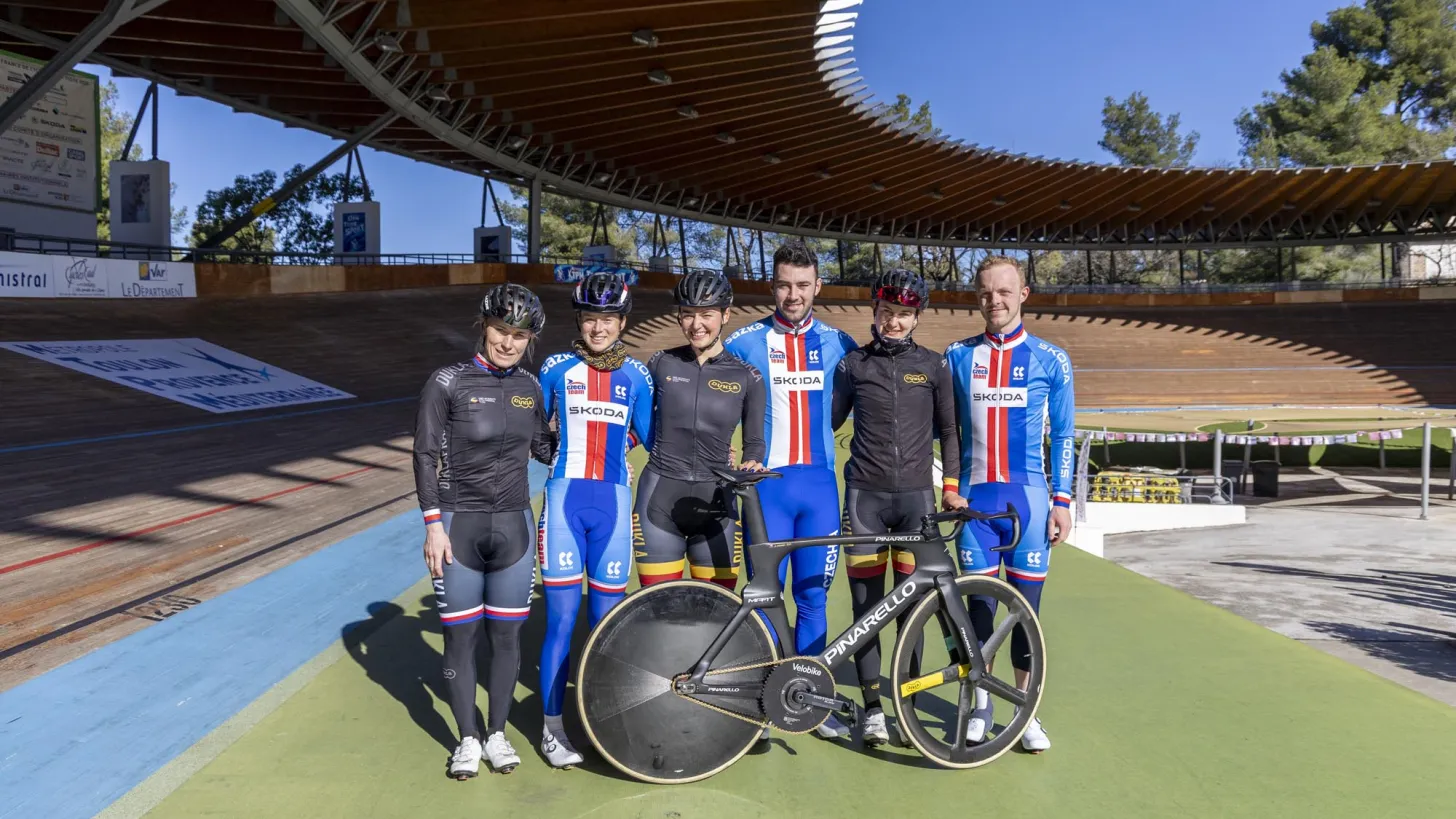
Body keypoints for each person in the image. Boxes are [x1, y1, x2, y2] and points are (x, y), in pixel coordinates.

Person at [413, 283, 555, 779]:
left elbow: (543, 448)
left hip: (513, 526)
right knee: (461, 639)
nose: (509, 342)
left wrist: (593, 446)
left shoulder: (531, 388)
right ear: (483, 326)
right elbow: (425, 455)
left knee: (508, 638)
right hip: (458, 523)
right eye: (501, 330)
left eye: (519, 335)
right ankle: (467, 739)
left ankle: (496, 733)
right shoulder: (447, 381)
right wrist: (433, 525)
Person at [724, 239, 858, 740]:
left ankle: (811, 702)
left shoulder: (841, 345)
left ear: (817, 287)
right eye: (784, 284)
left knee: (813, 596)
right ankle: (762, 698)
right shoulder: (744, 344)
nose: (793, 294)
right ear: (772, 286)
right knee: (763, 595)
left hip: (819, 486)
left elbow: (842, 409)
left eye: (803, 285)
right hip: (767, 491)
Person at [945, 255, 1075, 754]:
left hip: (1031, 504)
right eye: (985, 292)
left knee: (1026, 614)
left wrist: (1062, 502)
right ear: (977, 296)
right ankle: (980, 703)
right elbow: (947, 431)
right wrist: (950, 486)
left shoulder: (1051, 359)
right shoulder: (957, 357)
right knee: (976, 612)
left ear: (1023, 294)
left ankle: (1025, 711)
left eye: (1004, 291)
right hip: (976, 505)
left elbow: (1063, 435)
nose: (993, 301)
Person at [830, 268, 963, 746]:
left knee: (910, 610)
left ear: (916, 317)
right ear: (875, 311)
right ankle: (871, 709)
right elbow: (826, 424)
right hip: (864, 498)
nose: (894, 322)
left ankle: (904, 703)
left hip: (916, 502)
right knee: (867, 610)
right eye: (888, 312)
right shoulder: (852, 366)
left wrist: (950, 487)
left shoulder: (934, 365)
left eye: (904, 314)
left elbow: (949, 432)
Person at [536, 271, 653, 768]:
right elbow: (535, 429)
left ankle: (601, 722)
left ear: (622, 321)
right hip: (564, 502)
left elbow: (649, 433)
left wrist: (615, 449)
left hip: (613, 507)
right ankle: (552, 727)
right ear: (578, 320)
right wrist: (565, 452)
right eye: (590, 319)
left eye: (607, 319)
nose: (598, 328)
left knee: (607, 624)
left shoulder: (637, 375)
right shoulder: (556, 368)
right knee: (561, 620)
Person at [635, 269, 766, 589]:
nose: (696, 325)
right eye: (688, 315)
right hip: (659, 500)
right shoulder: (660, 363)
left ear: (725, 314)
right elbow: (631, 420)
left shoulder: (748, 377)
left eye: (706, 314)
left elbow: (755, 443)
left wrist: (752, 461)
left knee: (717, 614)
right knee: (658, 609)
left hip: (717, 505)